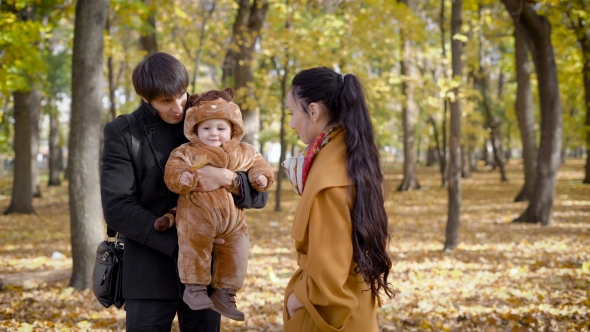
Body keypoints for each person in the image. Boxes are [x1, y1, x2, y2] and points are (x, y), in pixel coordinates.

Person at [100, 52, 267, 332]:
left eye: (181, 94)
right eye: (166, 101)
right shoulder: (124, 132)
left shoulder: (210, 117)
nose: (179, 106)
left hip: (207, 276)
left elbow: (259, 193)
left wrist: (229, 178)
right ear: (145, 97)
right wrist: (181, 246)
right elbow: (117, 207)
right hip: (149, 272)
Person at [281, 67, 394, 331]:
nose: (291, 123)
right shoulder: (351, 156)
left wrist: (299, 299)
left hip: (329, 317)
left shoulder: (328, 179)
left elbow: (330, 273)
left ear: (313, 111)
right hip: (357, 307)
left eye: (291, 112)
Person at [156, 87, 274, 321]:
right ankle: (195, 288)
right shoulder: (189, 151)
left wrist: (260, 177)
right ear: (195, 130)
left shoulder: (243, 151)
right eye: (206, 128)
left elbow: (259, 163)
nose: (214, 134)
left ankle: (226, 292)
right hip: (198, 213)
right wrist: (182, 177)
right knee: (195, 246)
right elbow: (174, 169)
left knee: (237, 251)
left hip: (233, 219)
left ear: (233, 130)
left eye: (221, 128)